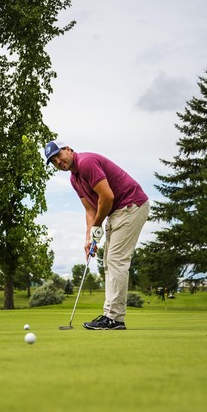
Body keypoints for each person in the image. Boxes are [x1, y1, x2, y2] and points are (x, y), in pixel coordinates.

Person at [44, 140, 149, 330]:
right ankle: (110, 315)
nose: (58, 161)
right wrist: (89, 238)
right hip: (118, 211)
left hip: (131, 205)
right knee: (109, 262)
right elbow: (90, 210)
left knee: (116, 260)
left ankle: (115, 318)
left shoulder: (86, 163)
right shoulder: (74, 179)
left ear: (68, 149)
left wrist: (98, 227)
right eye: (53, 161)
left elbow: (107, 197)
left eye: (59, 155)